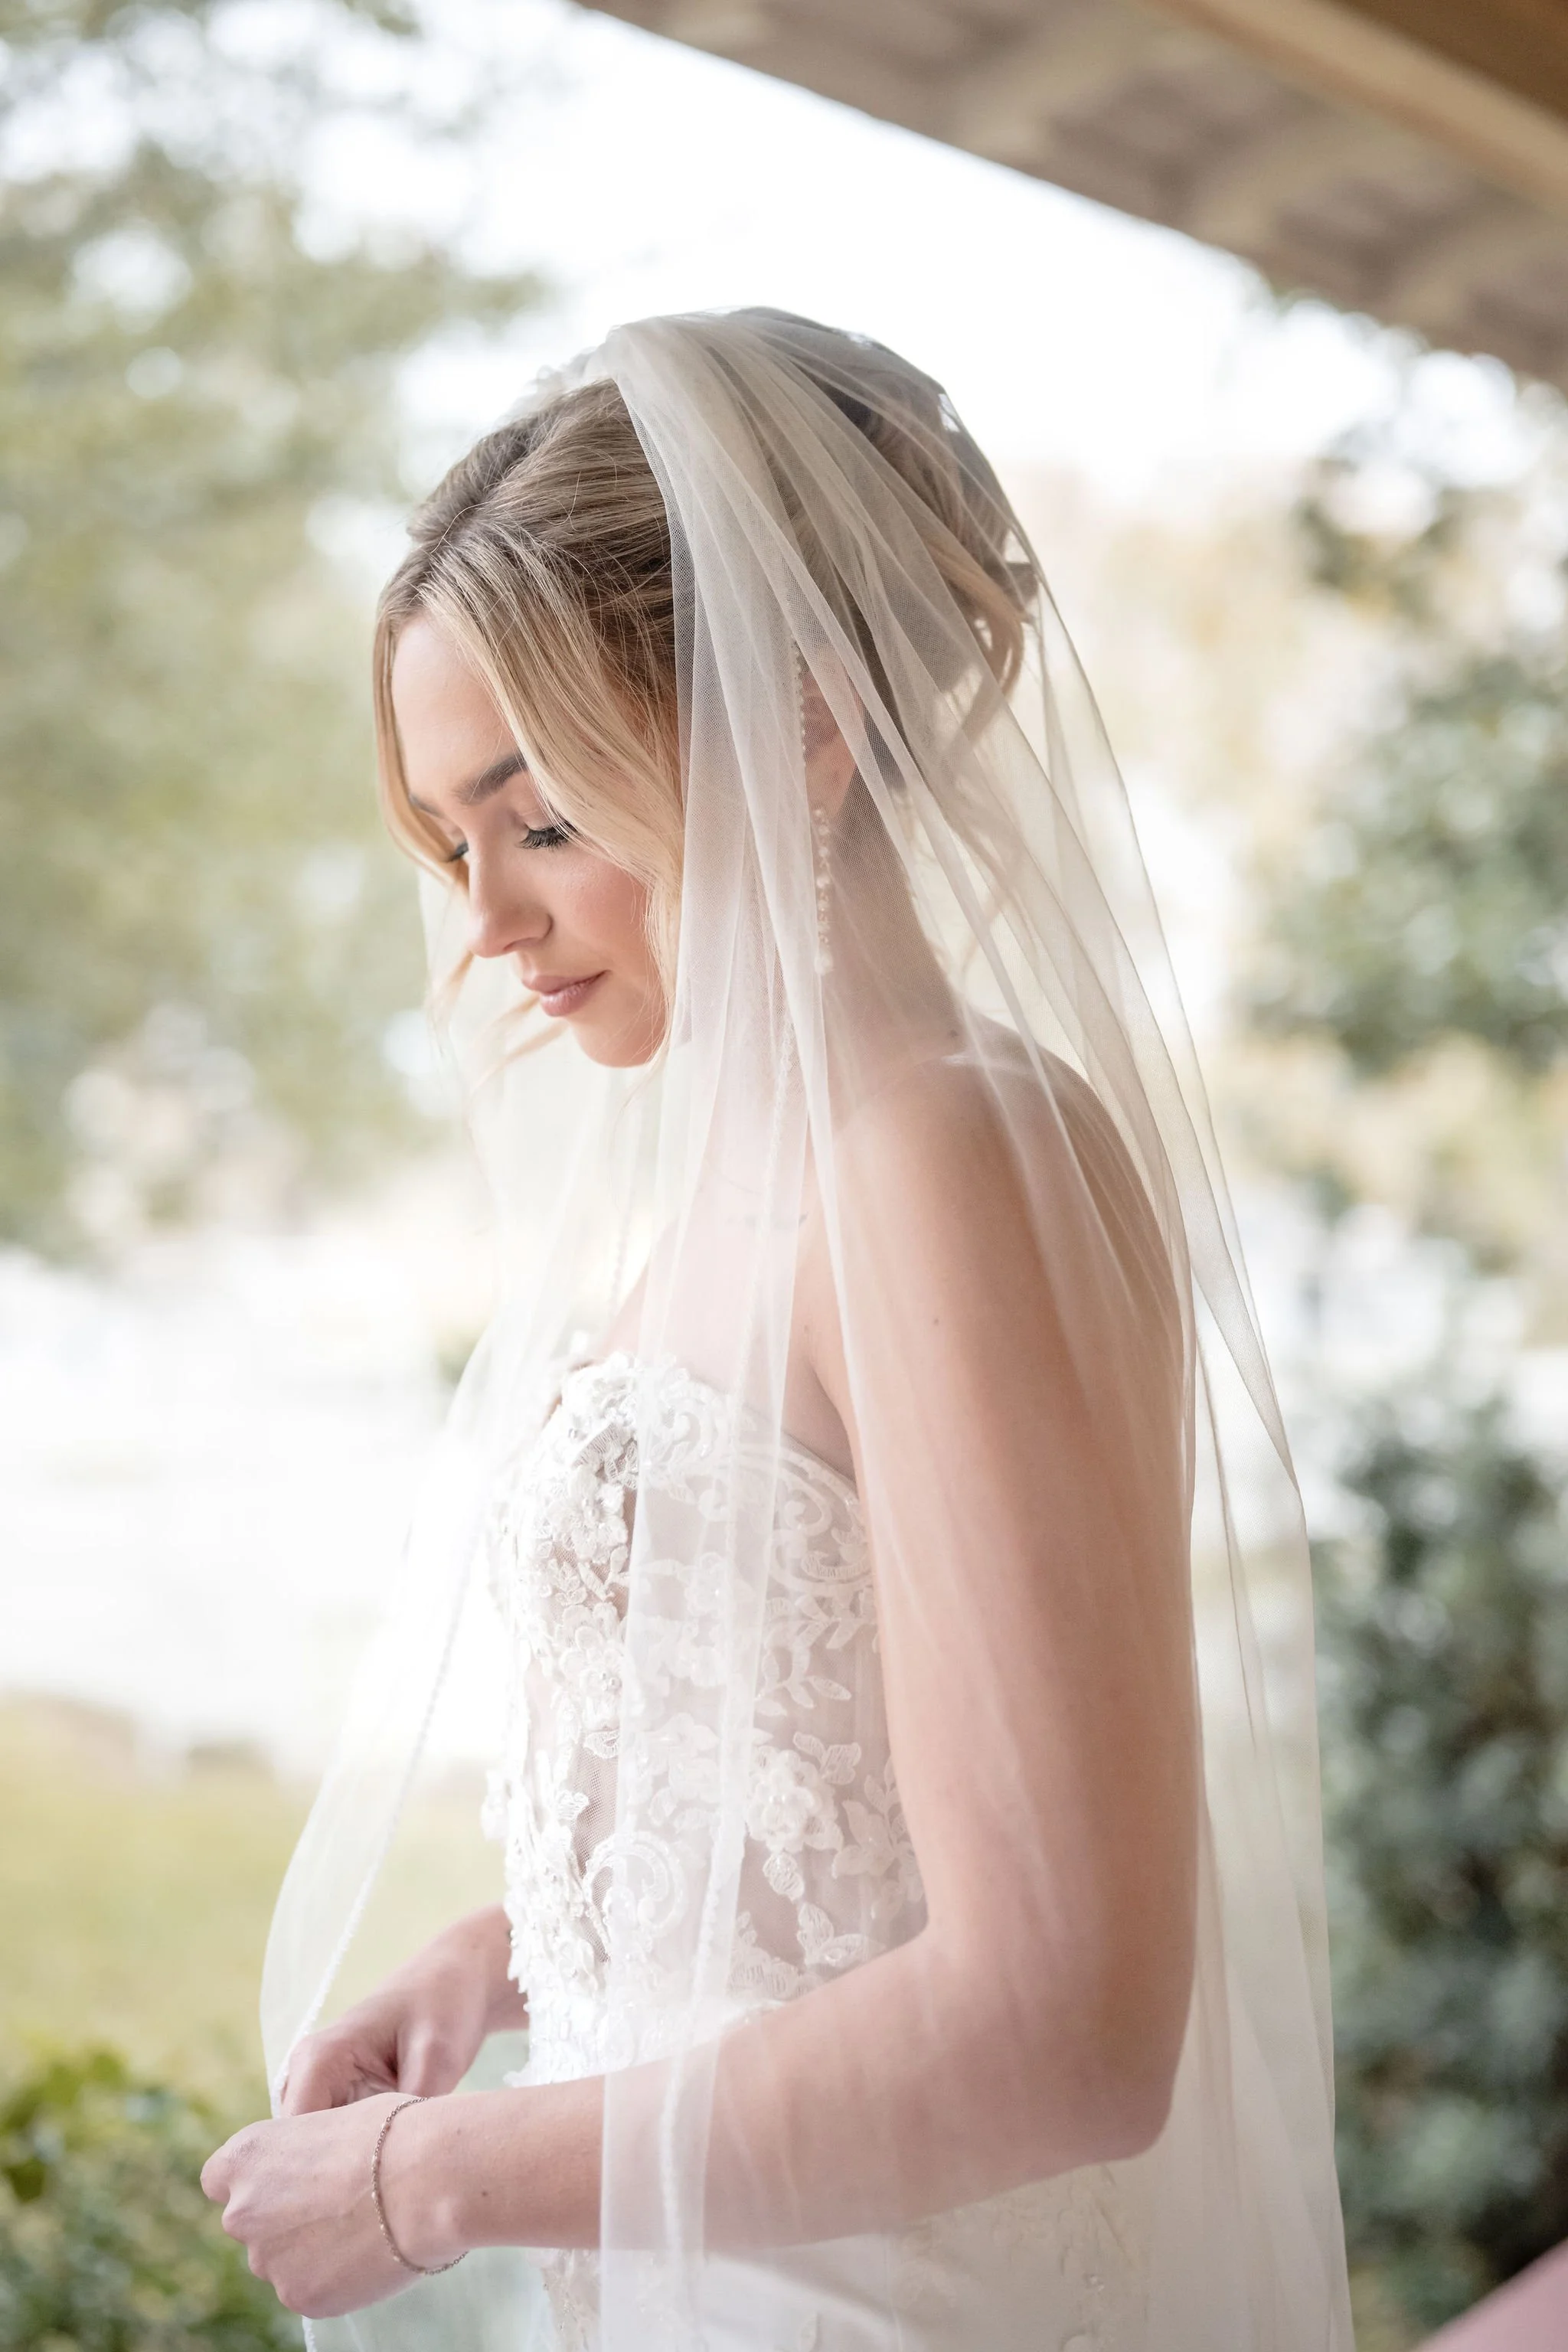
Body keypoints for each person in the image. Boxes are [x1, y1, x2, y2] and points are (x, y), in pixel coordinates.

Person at [201, 309, 1353, 2350]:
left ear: (801, 730)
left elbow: (1065, 2025)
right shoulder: (746, 1170)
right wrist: (526, 1953)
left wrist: (425, 2175)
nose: (481, 920)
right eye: (445, 842)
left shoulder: (943, 1161)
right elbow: (840, 1810)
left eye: (537, 815)